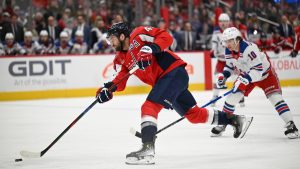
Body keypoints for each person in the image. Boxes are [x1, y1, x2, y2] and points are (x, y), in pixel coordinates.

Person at [95, 22, 253, 165]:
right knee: (194, 115)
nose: (110, 42)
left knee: (149, 107)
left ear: (122, 36)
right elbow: (118, 81)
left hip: (173, 72)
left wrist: (151, 48)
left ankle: (147, 149)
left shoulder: (139, 34)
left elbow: (165, 37)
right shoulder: (119, 59)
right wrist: (106, 91)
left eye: (112, 38)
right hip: (166, 82)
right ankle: (236, 120)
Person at [210, 27, 299, 139]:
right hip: (246, 74)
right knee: (231, 98)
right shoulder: (229, 50)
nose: (227, 44)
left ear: (237, 39)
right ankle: (223, 123)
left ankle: (292, 126)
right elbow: (229, 66)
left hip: (265, 75)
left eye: (229, 41)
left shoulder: (249, 49)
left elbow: (258, 70)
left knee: (275, 99)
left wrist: (245, 79)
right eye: (225, 41)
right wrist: (224, 76)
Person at [210, 13, 245, 107]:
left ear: (229, 22)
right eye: (221, 21)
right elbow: (213, 44)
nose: (223, 23)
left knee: (236, 79)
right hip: (221, 61)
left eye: (225, 21)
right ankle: (214, 97)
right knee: (218, 78)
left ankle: (240, 97)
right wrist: (213, 51)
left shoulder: (233, 31)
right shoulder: (216, 32)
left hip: (232, 60)